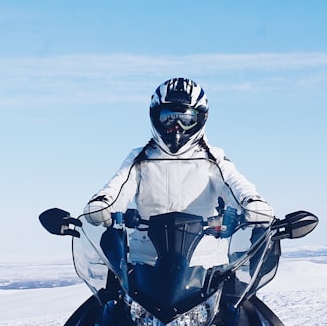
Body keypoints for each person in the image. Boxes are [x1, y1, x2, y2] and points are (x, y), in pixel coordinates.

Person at [83, 78, 273, 231]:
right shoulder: (140, 158)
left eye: (185, 119)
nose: (176, 128)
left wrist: (252, 202)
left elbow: (234, 183)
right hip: (146, 258)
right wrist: (102, 204)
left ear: (200, 119)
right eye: (168, 119)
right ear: (155, 117)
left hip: (204, 260)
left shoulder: (213, 158)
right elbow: (118, 187)